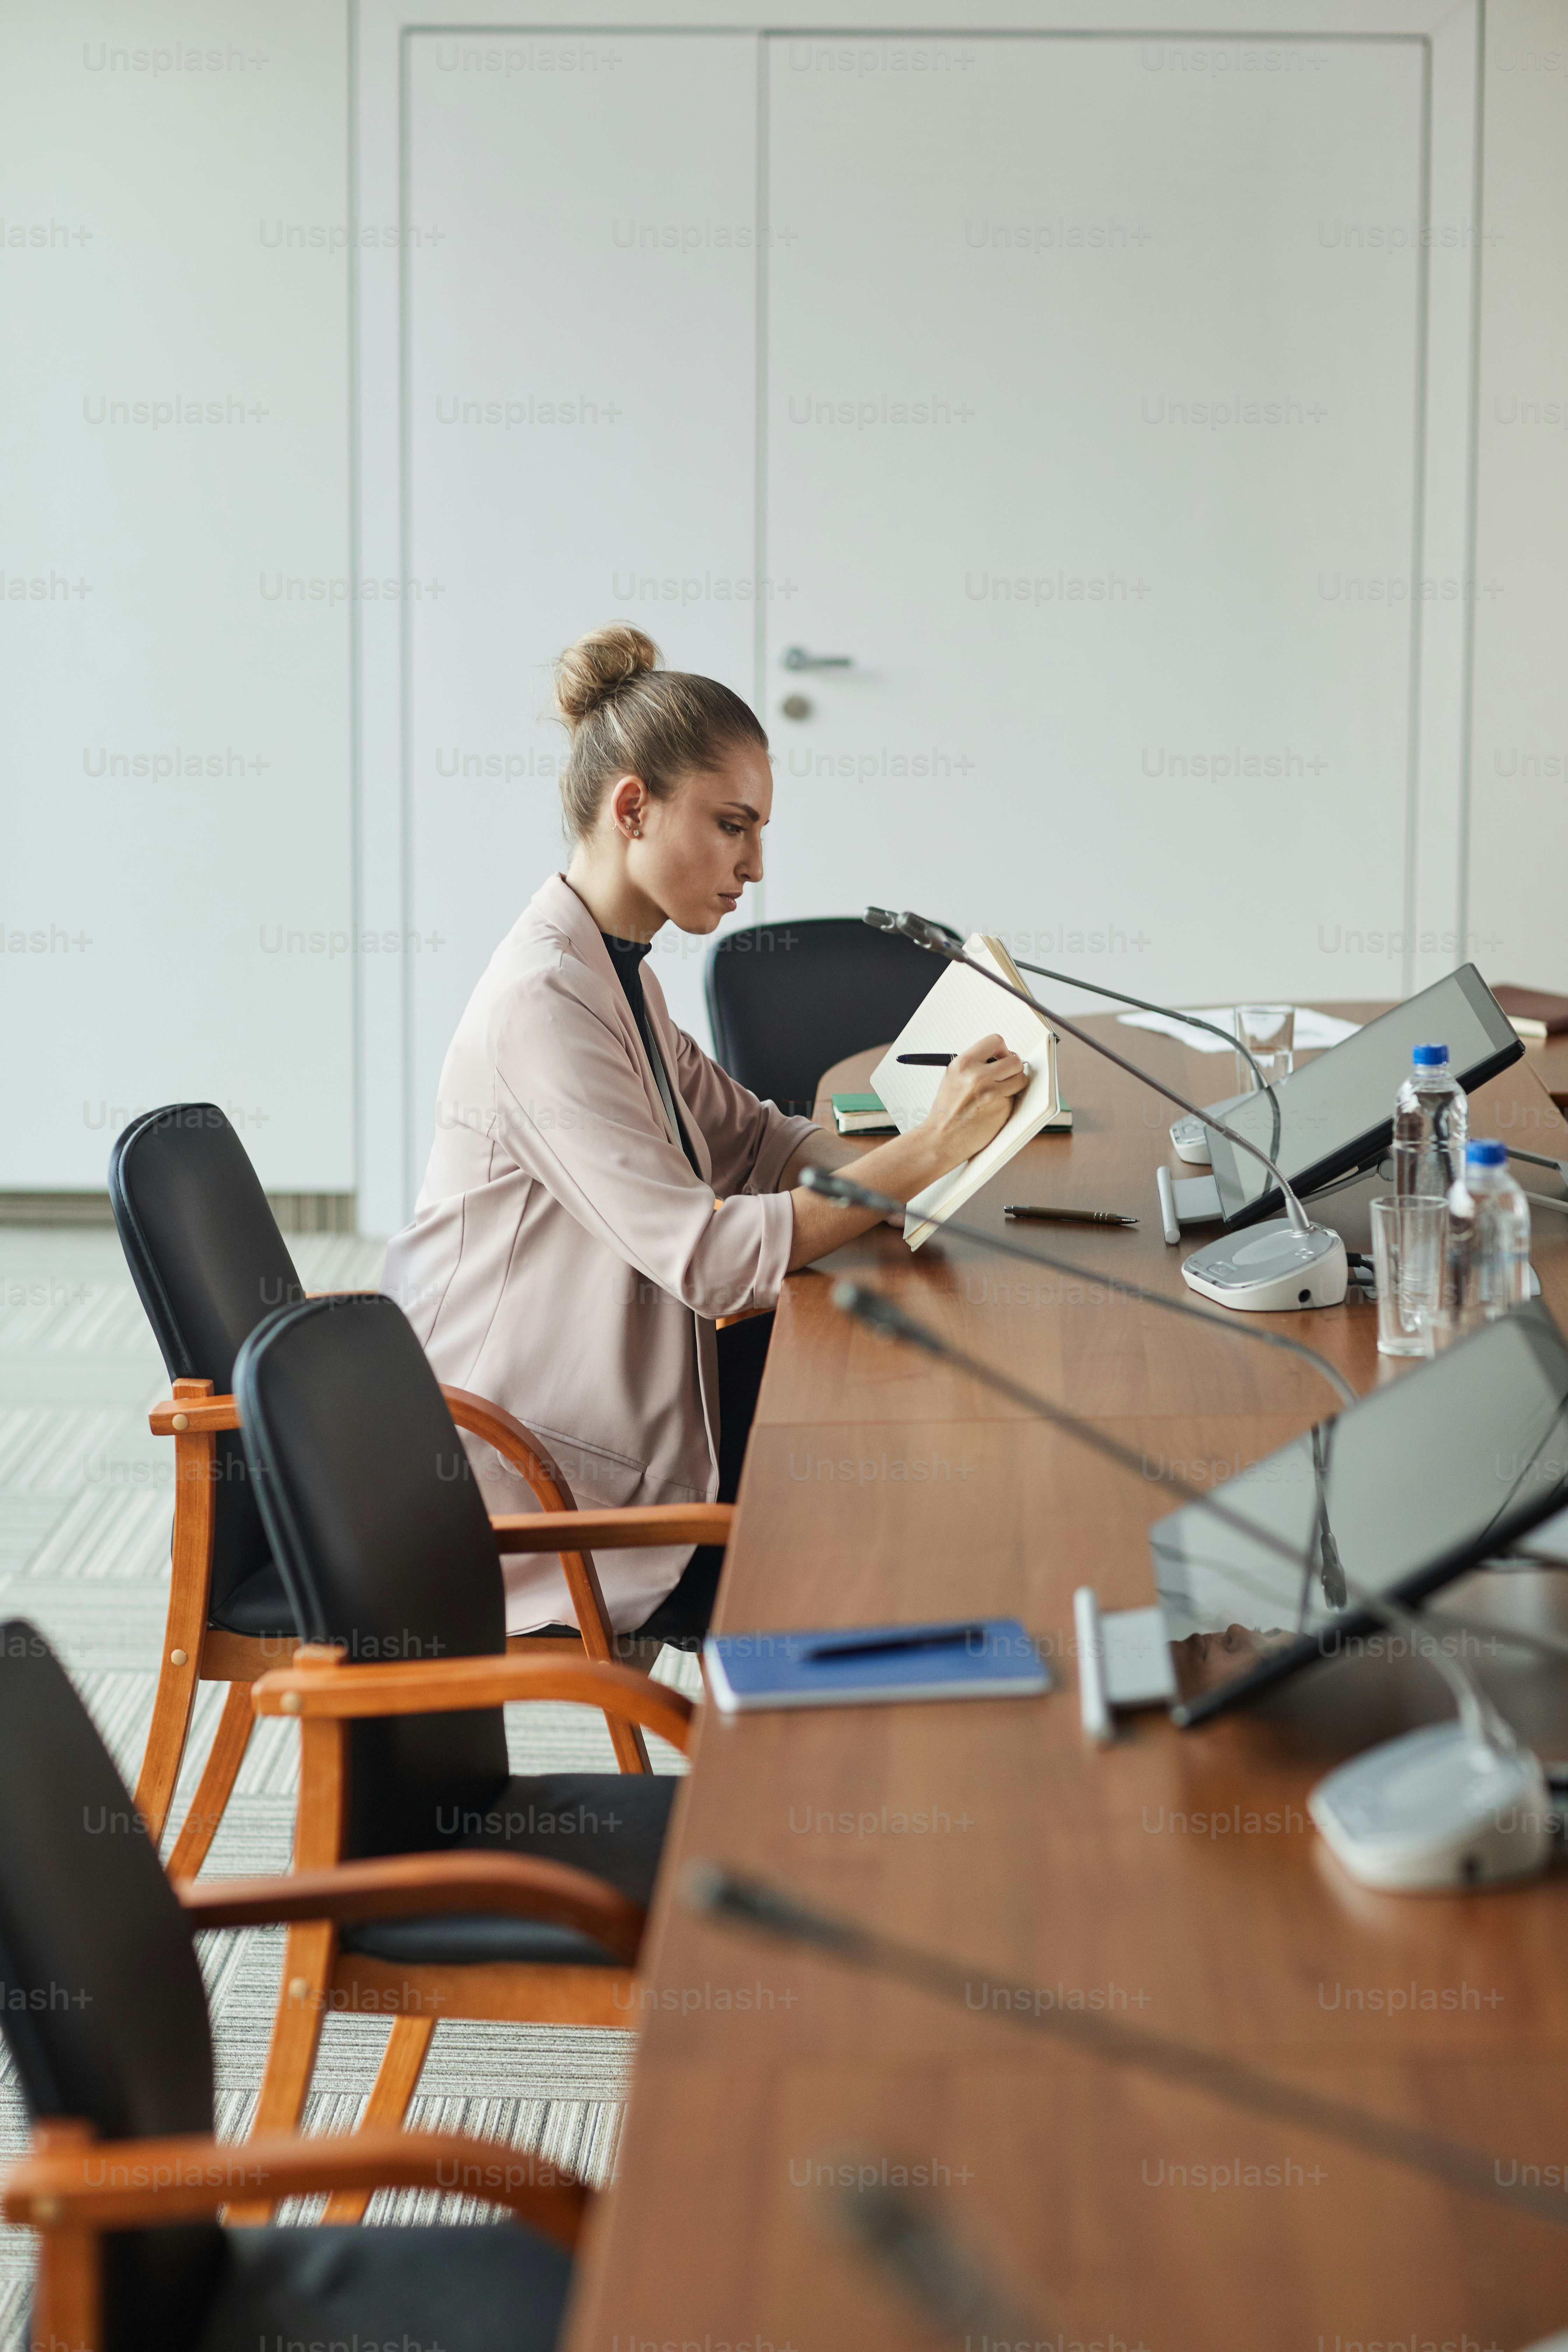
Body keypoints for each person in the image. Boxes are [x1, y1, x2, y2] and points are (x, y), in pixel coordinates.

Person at [382, 623, 1026, 1644]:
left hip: (601, 1382)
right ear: (631, 807)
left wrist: (926, 1148)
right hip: (521, 1464)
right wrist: (926, 1156)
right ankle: (827, 1755)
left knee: (908, 1396)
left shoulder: (616, 967)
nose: (755, 866)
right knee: (879, 1474)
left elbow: (758, 1144)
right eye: (733, 826)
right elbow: (712, 1263)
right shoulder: (543, 1004)